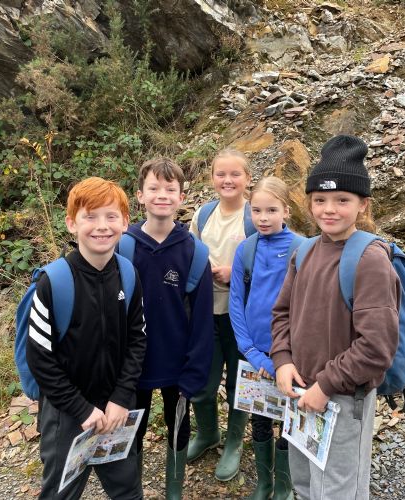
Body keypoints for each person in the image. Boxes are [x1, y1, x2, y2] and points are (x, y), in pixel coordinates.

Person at [271, 135, 401, 500]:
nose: (329, 209)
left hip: (342, 398)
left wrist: (325, 385)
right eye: (320, 200)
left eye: (342, 200)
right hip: (300, 390)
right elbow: (282, 313)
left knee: (335, 491)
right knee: (303, 484)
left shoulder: (370, 260)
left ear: (363, 204)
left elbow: (376, 347)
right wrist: (282, 360)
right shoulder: (305, 251)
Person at [26, 176, 147, 499]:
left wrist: (121, 397)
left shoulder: (128, 274)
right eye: (90, 216)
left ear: (125, 222)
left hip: (116, 408)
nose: (101, 226)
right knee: (61, 492)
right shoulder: (53, 282)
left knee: (128, 490)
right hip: (67, 414)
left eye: (111, 216)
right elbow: (40, 359)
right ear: (71, 223)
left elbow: (138, 340)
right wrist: (81, 410)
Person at [126, 158, 214, 499]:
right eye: (153, 188)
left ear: (181, 197)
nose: (161, 195)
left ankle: (174, 490)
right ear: (140, 195)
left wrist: (195, 371)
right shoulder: (124, 246)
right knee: (132, 428)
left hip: (177, 363)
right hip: (133, 364)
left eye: (170, 189)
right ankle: (130, 489)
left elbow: (202, 320)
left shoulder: (195, 252)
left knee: (178, 425)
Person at [229, 176, 298, 500]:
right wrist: (252, 352)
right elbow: (236, 305)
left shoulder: (302, 249)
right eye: (256, 210)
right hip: (254, 355)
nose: (263, 218)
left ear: (286, 210)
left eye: (271, 210)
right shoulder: (246, 249)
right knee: (259, 418)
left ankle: (284, 486)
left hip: (292, 358)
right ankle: (263, 483)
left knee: (288, 420)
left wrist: (284, 359)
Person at [188, 148, 253, 481]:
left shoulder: (255, 216)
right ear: (212, 177)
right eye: (221, 174)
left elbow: (270, 264)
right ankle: (207, 432)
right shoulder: (203, 214)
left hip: (241, 318)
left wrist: (236, 273)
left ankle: (234, 443)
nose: (228, 180)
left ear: (247, 179)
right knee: (202, 380)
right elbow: (189, 253)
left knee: (239, 382)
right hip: (205, 313)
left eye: (235, 174)